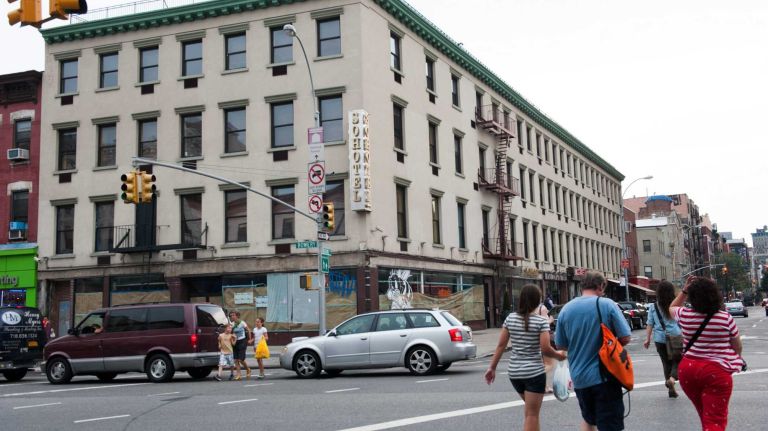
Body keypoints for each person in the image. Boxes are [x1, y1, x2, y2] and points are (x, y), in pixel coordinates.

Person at [554, 271, 631, 431]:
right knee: (610, 425)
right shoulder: (607, 305)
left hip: (580, 379)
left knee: (589, 420)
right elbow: (625, 337)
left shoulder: (566, 309)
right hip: (605, 377)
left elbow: (561, 346)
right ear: (600, 286)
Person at [485, 284, 566, 431]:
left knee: (530, 413)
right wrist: (559, 355)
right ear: (537, 301)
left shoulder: (510, 318)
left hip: (515, 373)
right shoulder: (541, 322)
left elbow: (501, 345)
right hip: (534, 373)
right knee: (532, 415)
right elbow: (546, 349)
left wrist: (492, 368)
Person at [670, 276, 743, 431]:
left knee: (705, 415)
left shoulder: (685, 315)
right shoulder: (725, 318)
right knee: (715, 420)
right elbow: (737, 347)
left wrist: (685, 290)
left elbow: (672, 307)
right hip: (716, 372)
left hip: (688, 370)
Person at [643, 280, 682, 398]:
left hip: (659, 339)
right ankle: (672, 379)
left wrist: (647, 339)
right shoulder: (675, 305)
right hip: (675, 337)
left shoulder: (653, 306)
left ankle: (671, 389)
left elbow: (650, 323)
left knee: (666, 363)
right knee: (678, 361)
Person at [229, 310, 252, 380]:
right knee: (236, 360)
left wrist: (250, 339)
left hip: (242, 341)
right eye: (231, 315)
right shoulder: (232, 324)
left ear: (237, 316)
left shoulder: (242, 322)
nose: (232, 316)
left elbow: (249, 330)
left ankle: (248, 369)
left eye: (233, 315)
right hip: (235, 342)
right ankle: (238, 375)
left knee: (241, 359)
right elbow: (230, 333)